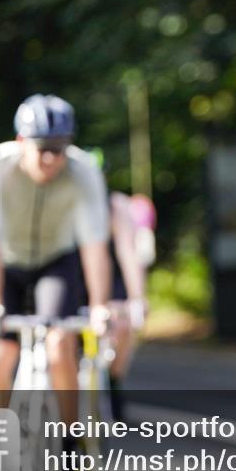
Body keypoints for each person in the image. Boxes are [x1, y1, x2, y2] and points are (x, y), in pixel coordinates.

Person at [0, 94, 111, 426]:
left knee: (60, 344)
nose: (51, 159)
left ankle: (69, 445)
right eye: (42, 148)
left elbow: (94, 249)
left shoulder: (84, 172)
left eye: (59, 149)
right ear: (21, 141)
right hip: (5, 263)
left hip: (54, 263)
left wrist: (101, 304)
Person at [88, 148, 157, 416]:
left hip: (109, 276)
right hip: (77, 276)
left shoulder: (115, 206)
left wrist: (137, 298)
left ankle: (113, 381)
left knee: (123, 324)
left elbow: (128, 253)